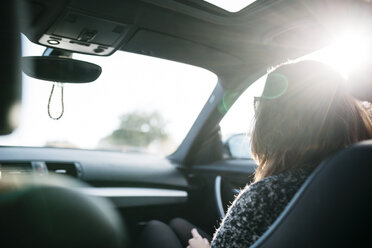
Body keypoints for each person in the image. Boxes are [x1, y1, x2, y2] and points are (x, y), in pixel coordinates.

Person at [136, 60, 372, 248]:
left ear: (274, 122)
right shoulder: (355, 183)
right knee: (178, 224)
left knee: (155, 229)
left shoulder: (266, 194)